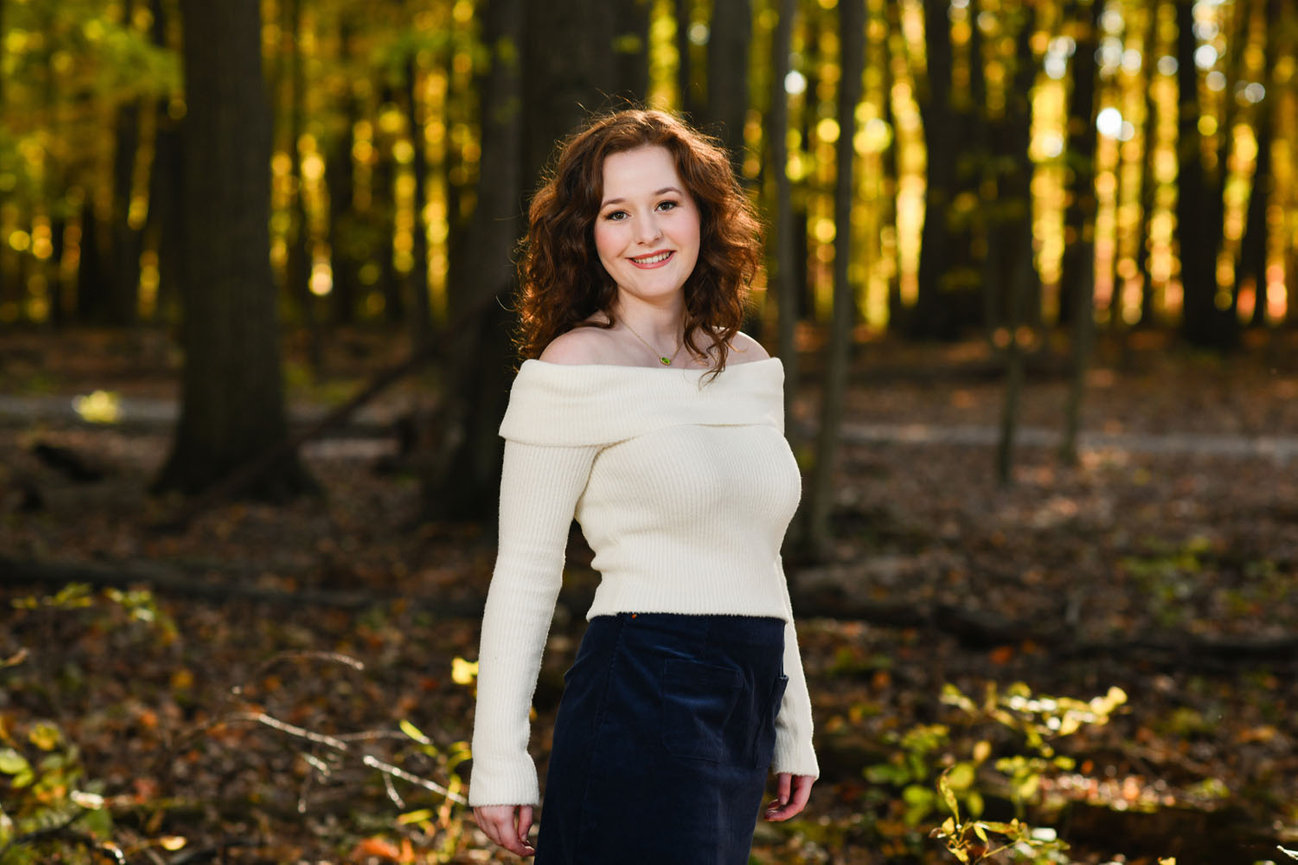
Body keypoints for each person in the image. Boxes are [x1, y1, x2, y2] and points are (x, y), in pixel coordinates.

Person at [468, 107, 818, 864]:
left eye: (665, 203)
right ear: (587, 235)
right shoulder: (572, 367)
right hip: (644, 686)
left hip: (745, 694)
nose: (646, 232)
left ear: (702, 211)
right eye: (616, 213)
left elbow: (761, 557)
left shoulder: (747, 362)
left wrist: (795, 722)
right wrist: (498, 760)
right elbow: (525, 572)